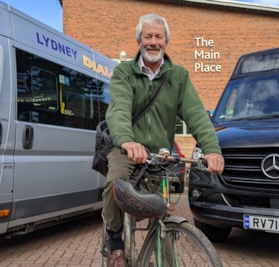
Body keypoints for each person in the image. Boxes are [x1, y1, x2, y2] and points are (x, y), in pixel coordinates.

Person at [102, 13, 225, 267]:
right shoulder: (124, 72)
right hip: (127, 151)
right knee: (115, 182)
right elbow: (119, 109)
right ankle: (115, 241)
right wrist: (127, 140)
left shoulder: (178, 76)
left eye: (159, 37)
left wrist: (212, 149)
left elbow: (197, 115)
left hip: (160, 156)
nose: (153, 42)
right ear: (139, 40)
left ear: (166, 42)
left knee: (163, 216)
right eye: (148, 36)